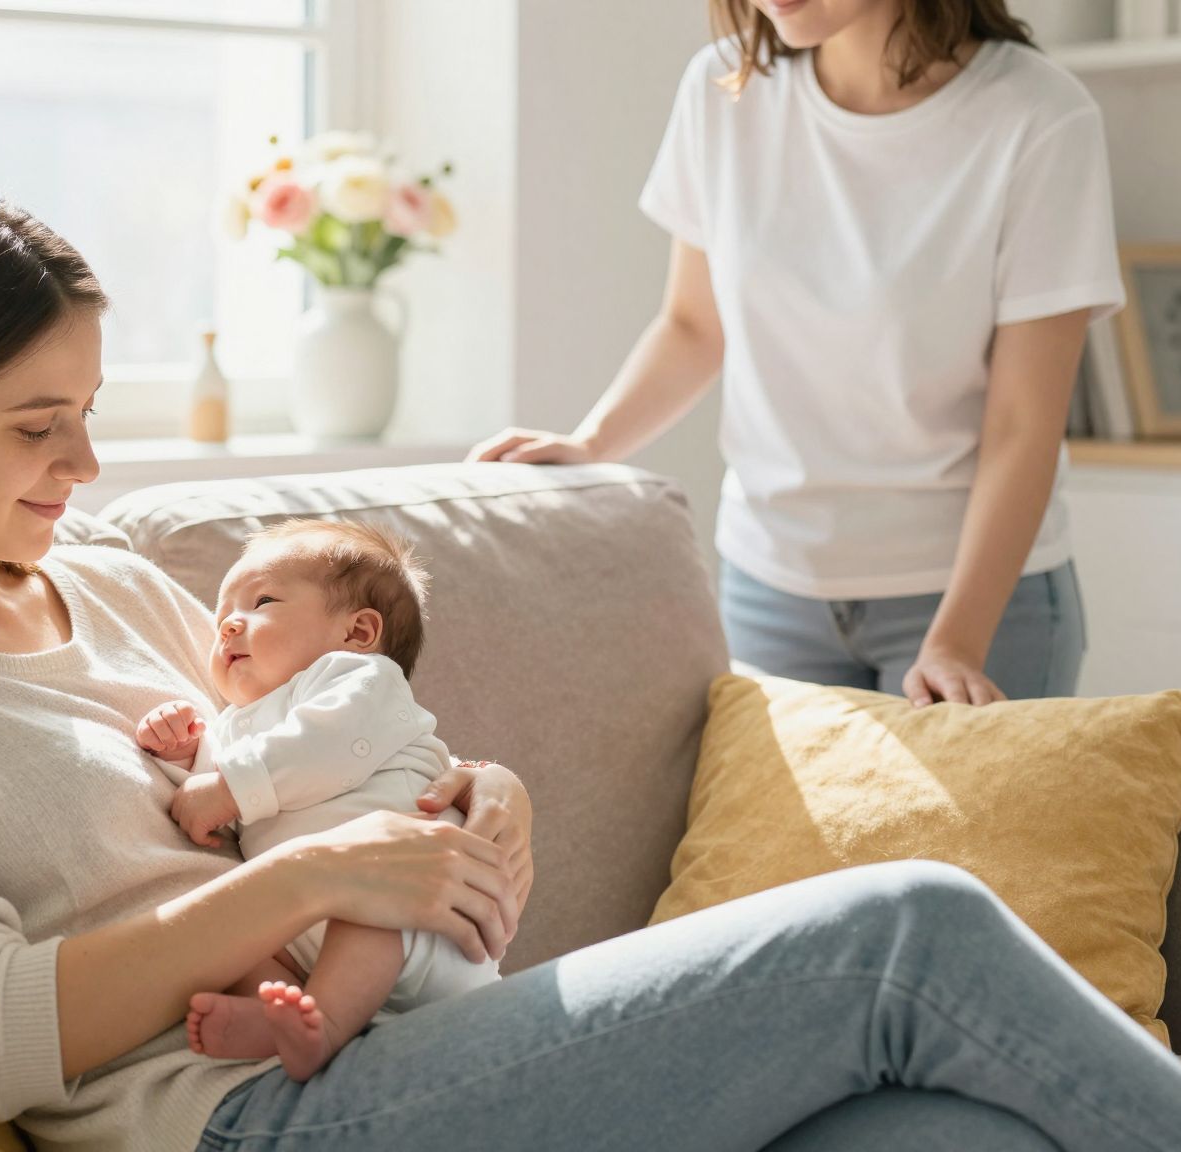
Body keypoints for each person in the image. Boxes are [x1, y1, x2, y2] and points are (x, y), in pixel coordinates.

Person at [0, 179, 1181, 1151]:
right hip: (255, 1116)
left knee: (938, 1132)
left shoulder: (106, 583)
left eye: (89, 410)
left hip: (423, 1039)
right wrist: (302, 885)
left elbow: (324, 730)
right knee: (906, 932)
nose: (86, 462)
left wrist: (477, 801)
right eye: (36, 427)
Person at [471, 0, 1117, 710]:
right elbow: (693, 326)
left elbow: (1024, 422)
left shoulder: (1039, 116)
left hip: (973, 602)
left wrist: (955, 642)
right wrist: (593, 441)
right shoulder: (724, 89)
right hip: (768, 587)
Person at [136, 519, 501, 1082]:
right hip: (313, 923)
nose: (229, 622)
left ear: (358, 632)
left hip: (418, 917)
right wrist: (182, 753)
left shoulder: (360, 680)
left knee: (372, 898)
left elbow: (318, 748)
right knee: (225, 941)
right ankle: (280, 1017)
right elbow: (211, 808)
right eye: (221, 615)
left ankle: (325, 1028)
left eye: (261, 602)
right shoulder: (237, 725)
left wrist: (226, 788)